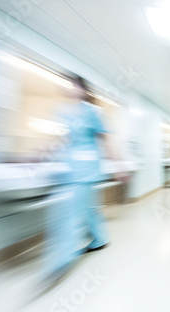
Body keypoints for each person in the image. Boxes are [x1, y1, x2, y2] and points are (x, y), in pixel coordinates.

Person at [43, 75, 129, 283]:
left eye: (72, 85)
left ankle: (61, 261)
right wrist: (41, 154)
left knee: (71, 214)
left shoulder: (92, 113)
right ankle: (100, 239)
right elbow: (62, 140)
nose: (69, 89)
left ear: (82, 90)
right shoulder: (64, 112)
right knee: (88, 208)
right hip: (70, 169)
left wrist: (119, 165)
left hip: (86, 170)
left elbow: (107, 140)